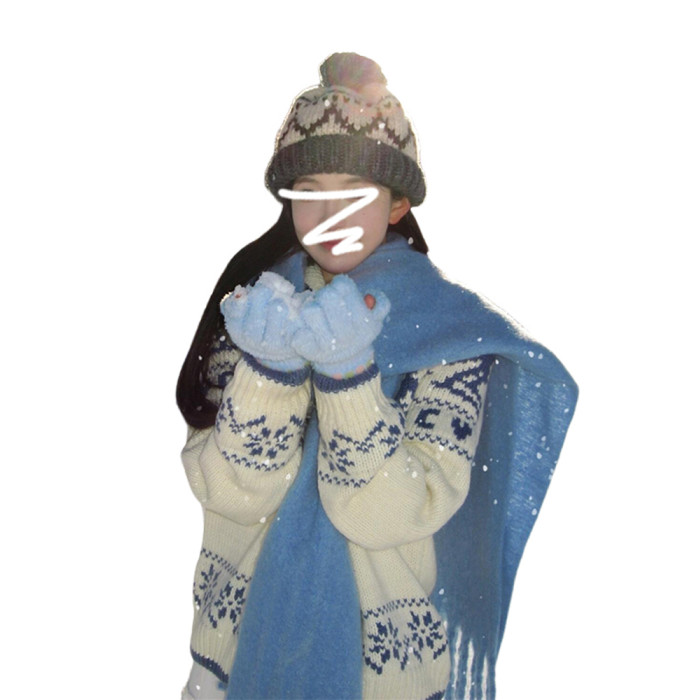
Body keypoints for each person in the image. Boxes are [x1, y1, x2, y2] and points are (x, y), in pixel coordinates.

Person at [177, 53, 577, 700]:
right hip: (232, 663)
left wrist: (348, 377)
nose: (328, 217)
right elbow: (230, 492)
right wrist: (269, 372)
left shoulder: (448, 341)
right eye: (310, 194)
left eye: (354, 194)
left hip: (379, 679)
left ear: (396, 205)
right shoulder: (254, 315)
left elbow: (394, 514)